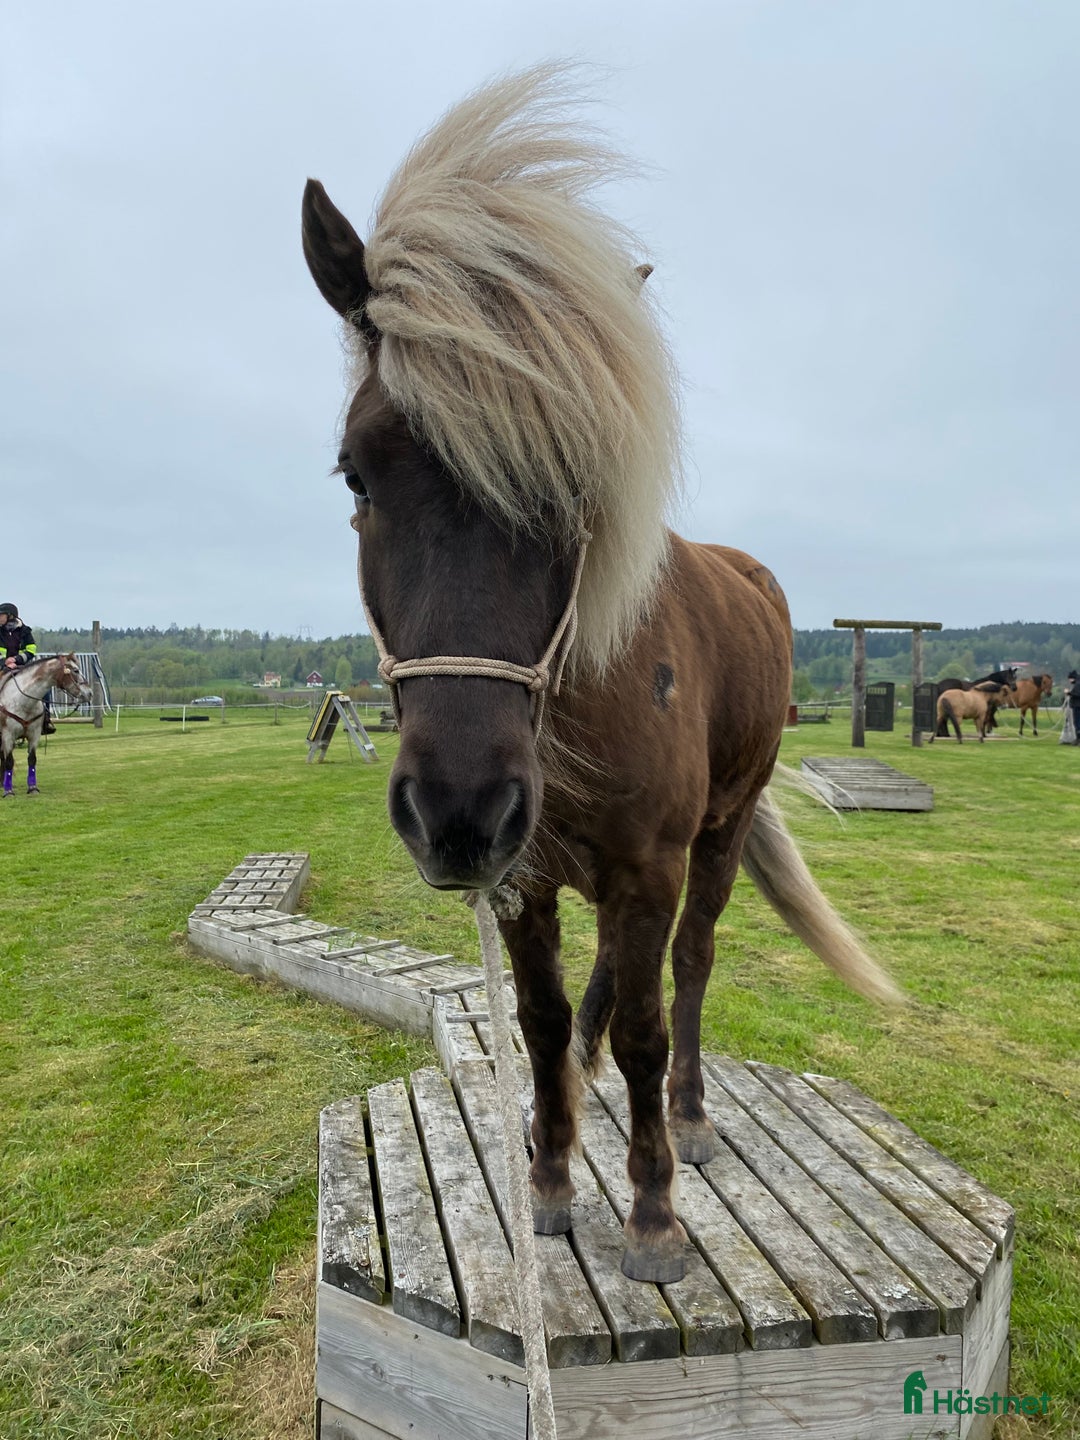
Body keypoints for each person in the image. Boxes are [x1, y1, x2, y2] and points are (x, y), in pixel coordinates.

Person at [0, 603, 55, 733]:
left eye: (1, 615)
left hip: (21, 667)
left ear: (10, 616)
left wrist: (16, 660)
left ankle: (45, 720)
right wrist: (5, 662)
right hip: (2, 667)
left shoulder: (25, 631)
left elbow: (31, 650)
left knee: (44, 688)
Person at [1062, 671, 1080, 746]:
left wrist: (1068, 693)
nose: (1069, 680)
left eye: (1070, 679)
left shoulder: (1078, 684)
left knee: (1078, 723)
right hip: (1076, 706)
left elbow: (1078, 694)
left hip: (1078, 706)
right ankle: (1077, 739)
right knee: (1076, 723)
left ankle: (1078, 739)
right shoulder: (1076, 684)